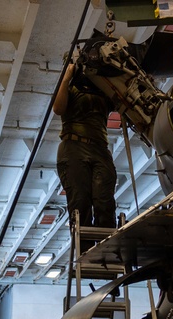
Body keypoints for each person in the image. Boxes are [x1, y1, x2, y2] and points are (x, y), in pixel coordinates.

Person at [53, 57, 117, 243]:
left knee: (104, 202)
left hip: (100, 149)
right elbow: (58, 108)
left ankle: (106, 252)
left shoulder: (104, 91)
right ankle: (86, 250)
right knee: (80, 204)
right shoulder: (70, 89)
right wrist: (66, 77)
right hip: (73, 148)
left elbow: (123, 102)